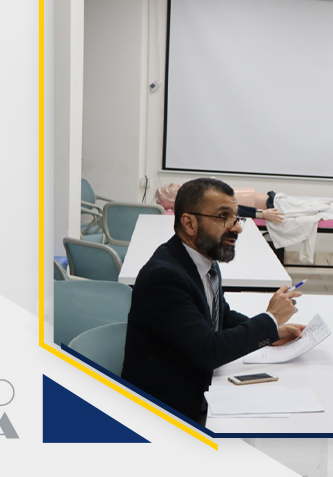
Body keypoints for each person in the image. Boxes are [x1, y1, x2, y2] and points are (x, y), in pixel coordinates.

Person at [121, 177, 305, 423]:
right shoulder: (164, 277)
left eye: (236, 217)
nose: (237, 228)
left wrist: (272, 332)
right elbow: (208, 351)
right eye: (223, 217)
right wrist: (269, 319)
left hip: (195, 392)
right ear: (189, 223)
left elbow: (220, 315)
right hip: (164, 412)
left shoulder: (203, 260)